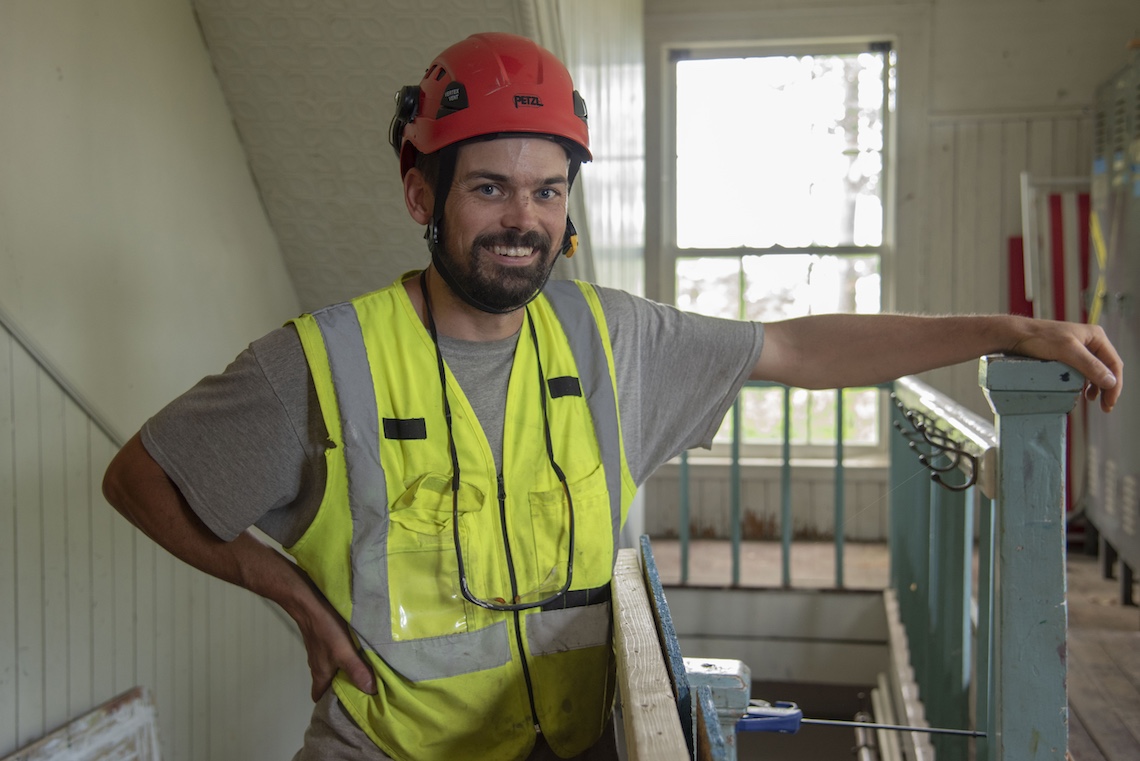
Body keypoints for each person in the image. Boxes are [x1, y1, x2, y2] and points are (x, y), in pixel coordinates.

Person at [102, 32, 1123, 761]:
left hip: (576, 739)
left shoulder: (608, 336)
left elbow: (802, 345)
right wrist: (288, 591)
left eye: (548, 191)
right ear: (423, 195)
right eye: (490, 187)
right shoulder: (319, 361)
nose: (524, 220)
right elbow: (140, 476)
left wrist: (1004, 329)